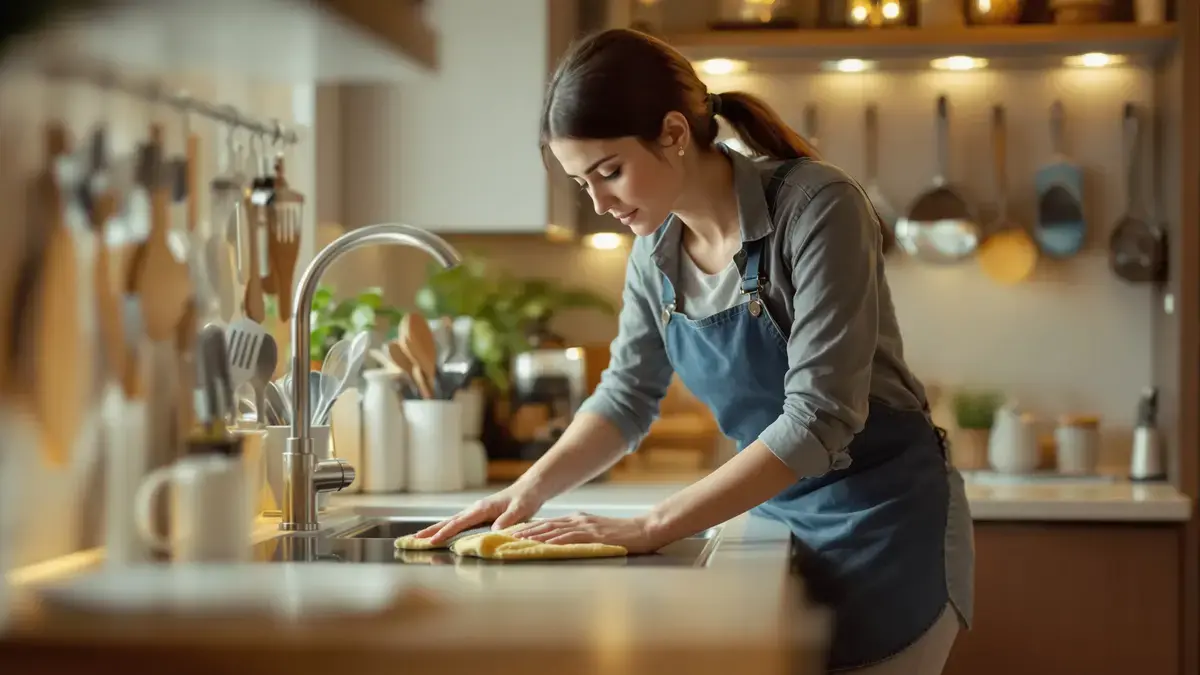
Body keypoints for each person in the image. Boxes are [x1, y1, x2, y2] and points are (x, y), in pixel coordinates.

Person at [415, 27, 973, 675]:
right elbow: (626, 399)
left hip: (885, 525)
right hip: (775, 523)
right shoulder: (653, 254)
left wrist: (653, 524)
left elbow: (820, 415)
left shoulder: (818, 208)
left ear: (675, 133)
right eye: (582, 183)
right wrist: (526, 490)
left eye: (609, 172)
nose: (599, 203)